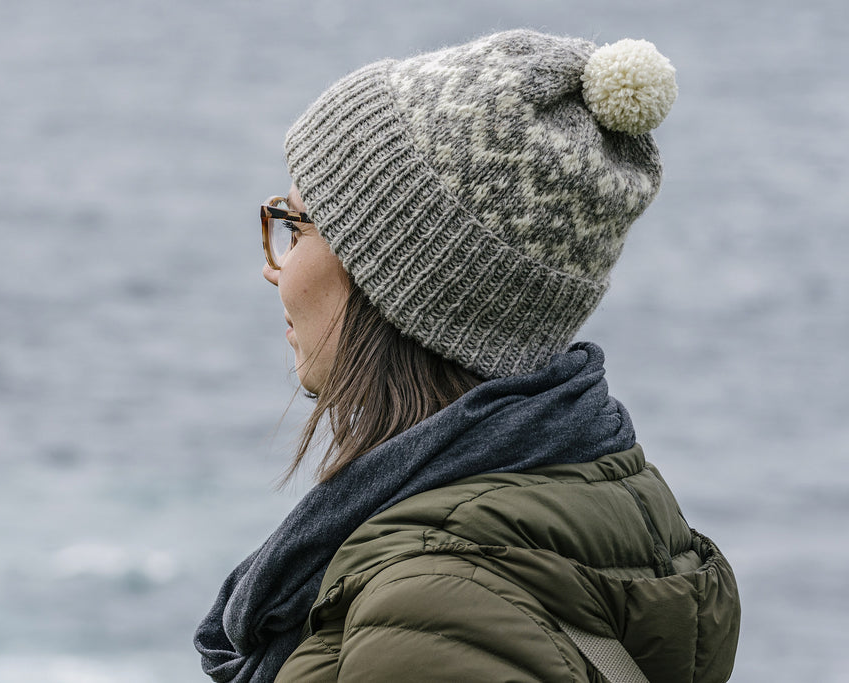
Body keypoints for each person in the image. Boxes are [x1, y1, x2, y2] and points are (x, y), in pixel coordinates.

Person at [195, 29, 740, 682]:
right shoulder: (601, 489)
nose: (276, 270)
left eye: (299, 225)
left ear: (400, 284)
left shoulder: (430, 614)